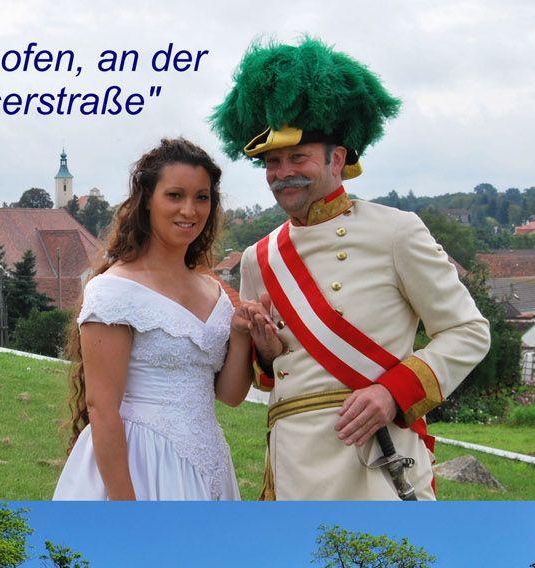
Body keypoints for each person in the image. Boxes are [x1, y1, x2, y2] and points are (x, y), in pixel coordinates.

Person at [209, 39, 490, 500]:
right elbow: (274, 372)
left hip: (374, 453)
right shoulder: (259, 256)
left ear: (336, 159)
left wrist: (392, 393)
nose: (282, 172)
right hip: (292, 458)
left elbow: (468, 331)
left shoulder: (396, 230)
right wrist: (267, 351)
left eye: (298, 157)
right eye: (273, 162)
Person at [55, 138, 250, 500]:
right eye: (175, 195)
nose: (189, 210)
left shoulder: (215, 293)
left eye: (202, 197)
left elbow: (230, 395)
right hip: (140, 465)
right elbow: (102, 408)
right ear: (147, 199)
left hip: (208, 465)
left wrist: (240, 334)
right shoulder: (114, 291)